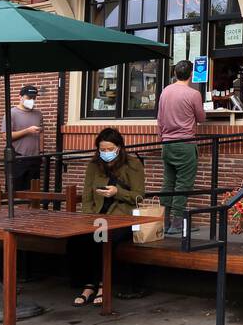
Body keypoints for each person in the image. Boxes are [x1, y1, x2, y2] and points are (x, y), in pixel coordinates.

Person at [69, 127, 144, 307]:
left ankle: (100, 284)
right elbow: (87, 195)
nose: (106, 153)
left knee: (102, 237)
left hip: (123, 218)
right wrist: (87, 218)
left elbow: (139, 196)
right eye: (102, 149)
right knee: (79, 239)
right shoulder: (94, 165)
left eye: (110, 149)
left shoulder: (133, 164)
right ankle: (89, 283)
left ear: (119, 147)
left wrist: (117, 192)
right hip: (98, 216)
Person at [156, 60, 205, 237]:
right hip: (185, 144)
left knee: (168, 182)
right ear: (191, 74)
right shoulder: (194, 94)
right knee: (183, 184)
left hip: (167, 143)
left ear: (175, 74)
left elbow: (160, 119)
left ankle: (164, 220)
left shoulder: (165, 91)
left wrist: (161, 138)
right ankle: (177, 222)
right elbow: (201, 117)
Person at [8, 85, 44, 195]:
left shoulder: (38, 114)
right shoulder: (12, 113)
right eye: (29, 98)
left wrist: (41, 152)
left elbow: (41, 134)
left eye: (34, 98)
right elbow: (6, 136)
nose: (32, 100)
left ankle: (32, 212)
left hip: (35, 159)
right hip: (18, 158)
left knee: (34, 193)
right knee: (17, 193)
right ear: (20, 97)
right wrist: (27, 131)